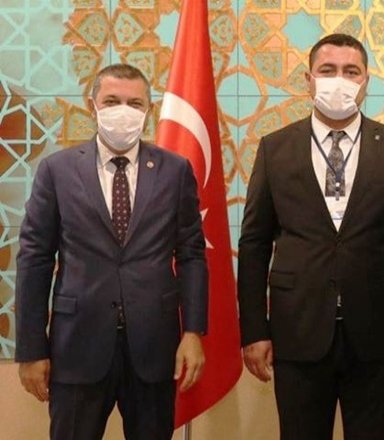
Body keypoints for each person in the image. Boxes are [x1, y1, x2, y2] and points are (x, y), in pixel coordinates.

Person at [237, 33, 384, 440]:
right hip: (297, 331)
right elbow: (254, 245)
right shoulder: (275, 148)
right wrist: (254, 329)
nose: (339, 80)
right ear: (308, 80)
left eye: (351, 71)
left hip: (378, 334)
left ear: (366, 82)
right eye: (327, 70)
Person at [15, 63, 208, 439]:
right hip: (77, 345)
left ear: (149, 110)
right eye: (112, 101)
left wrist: (194, 331)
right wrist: (31, 349)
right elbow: (34, 259)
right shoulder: (57, 170)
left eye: (135, 103)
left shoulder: (175, 170)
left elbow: (191, 254)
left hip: (154, 346)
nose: (124, 111)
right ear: (92, 106)